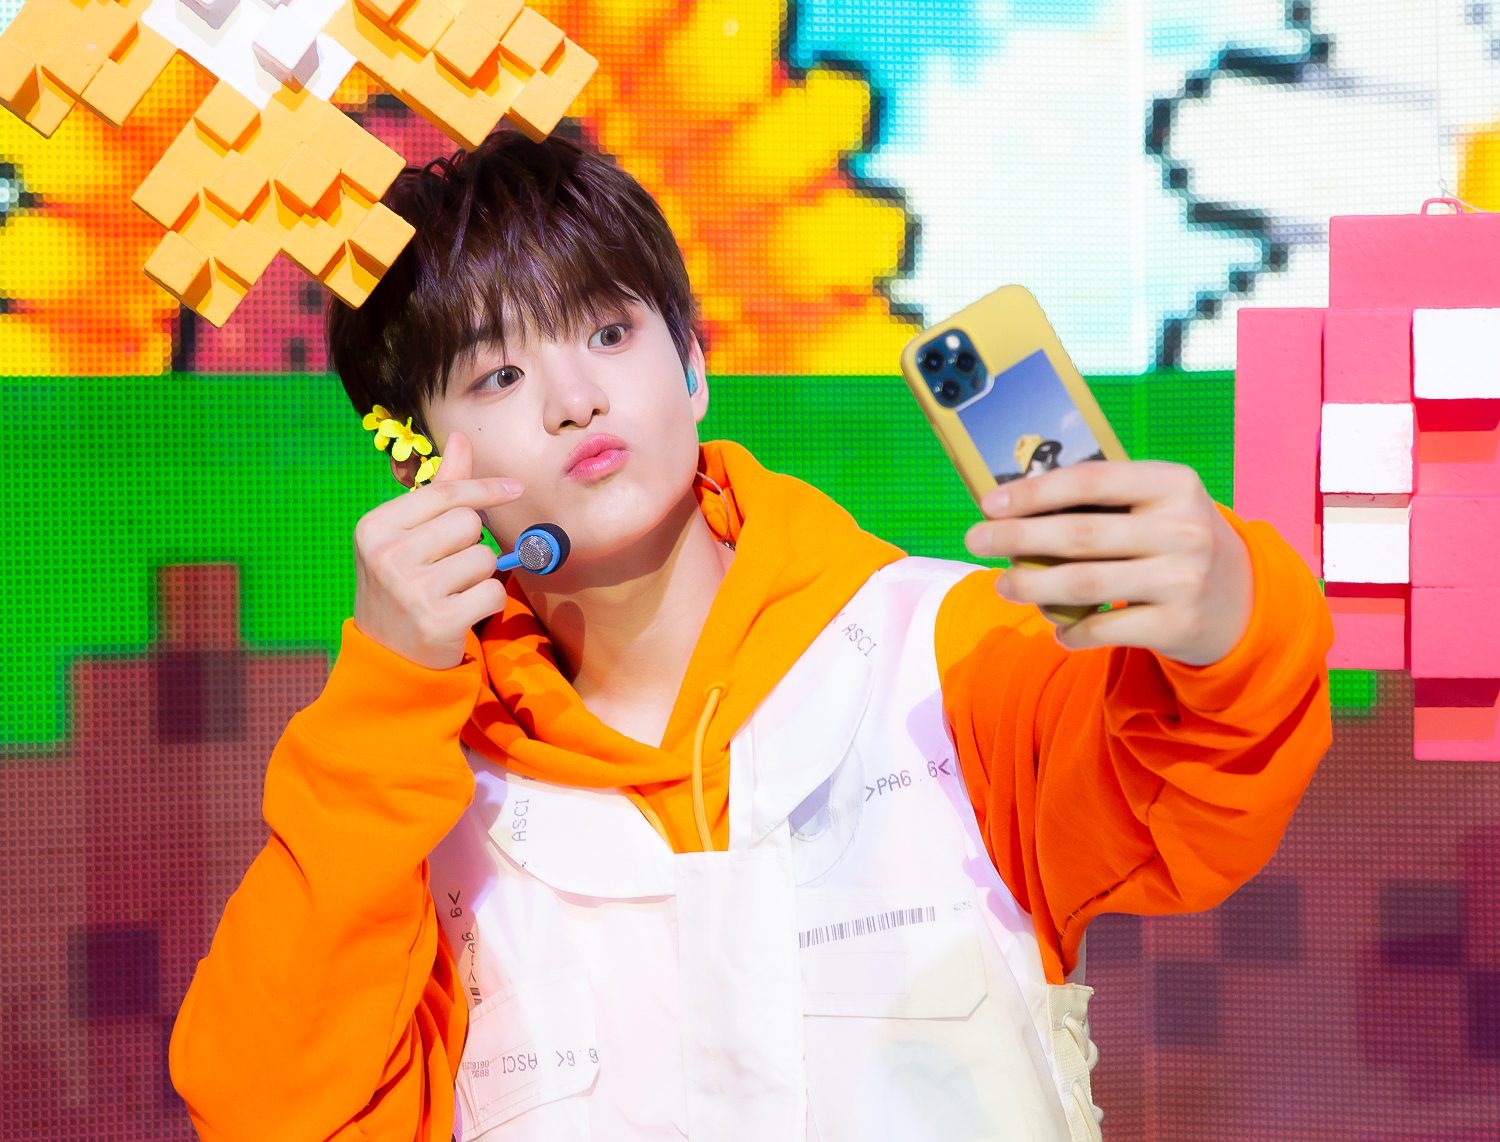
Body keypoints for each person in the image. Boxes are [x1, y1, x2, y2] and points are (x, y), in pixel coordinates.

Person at [168, 131, 1332, 1142]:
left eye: (609, 331)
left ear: (694, 365)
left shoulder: (943, 654)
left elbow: (1202, 788)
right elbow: (268, 1106)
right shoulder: (415, 807)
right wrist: (385, 695)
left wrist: (1227, 603)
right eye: (501, 371)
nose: (574, 398)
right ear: (418, 457)